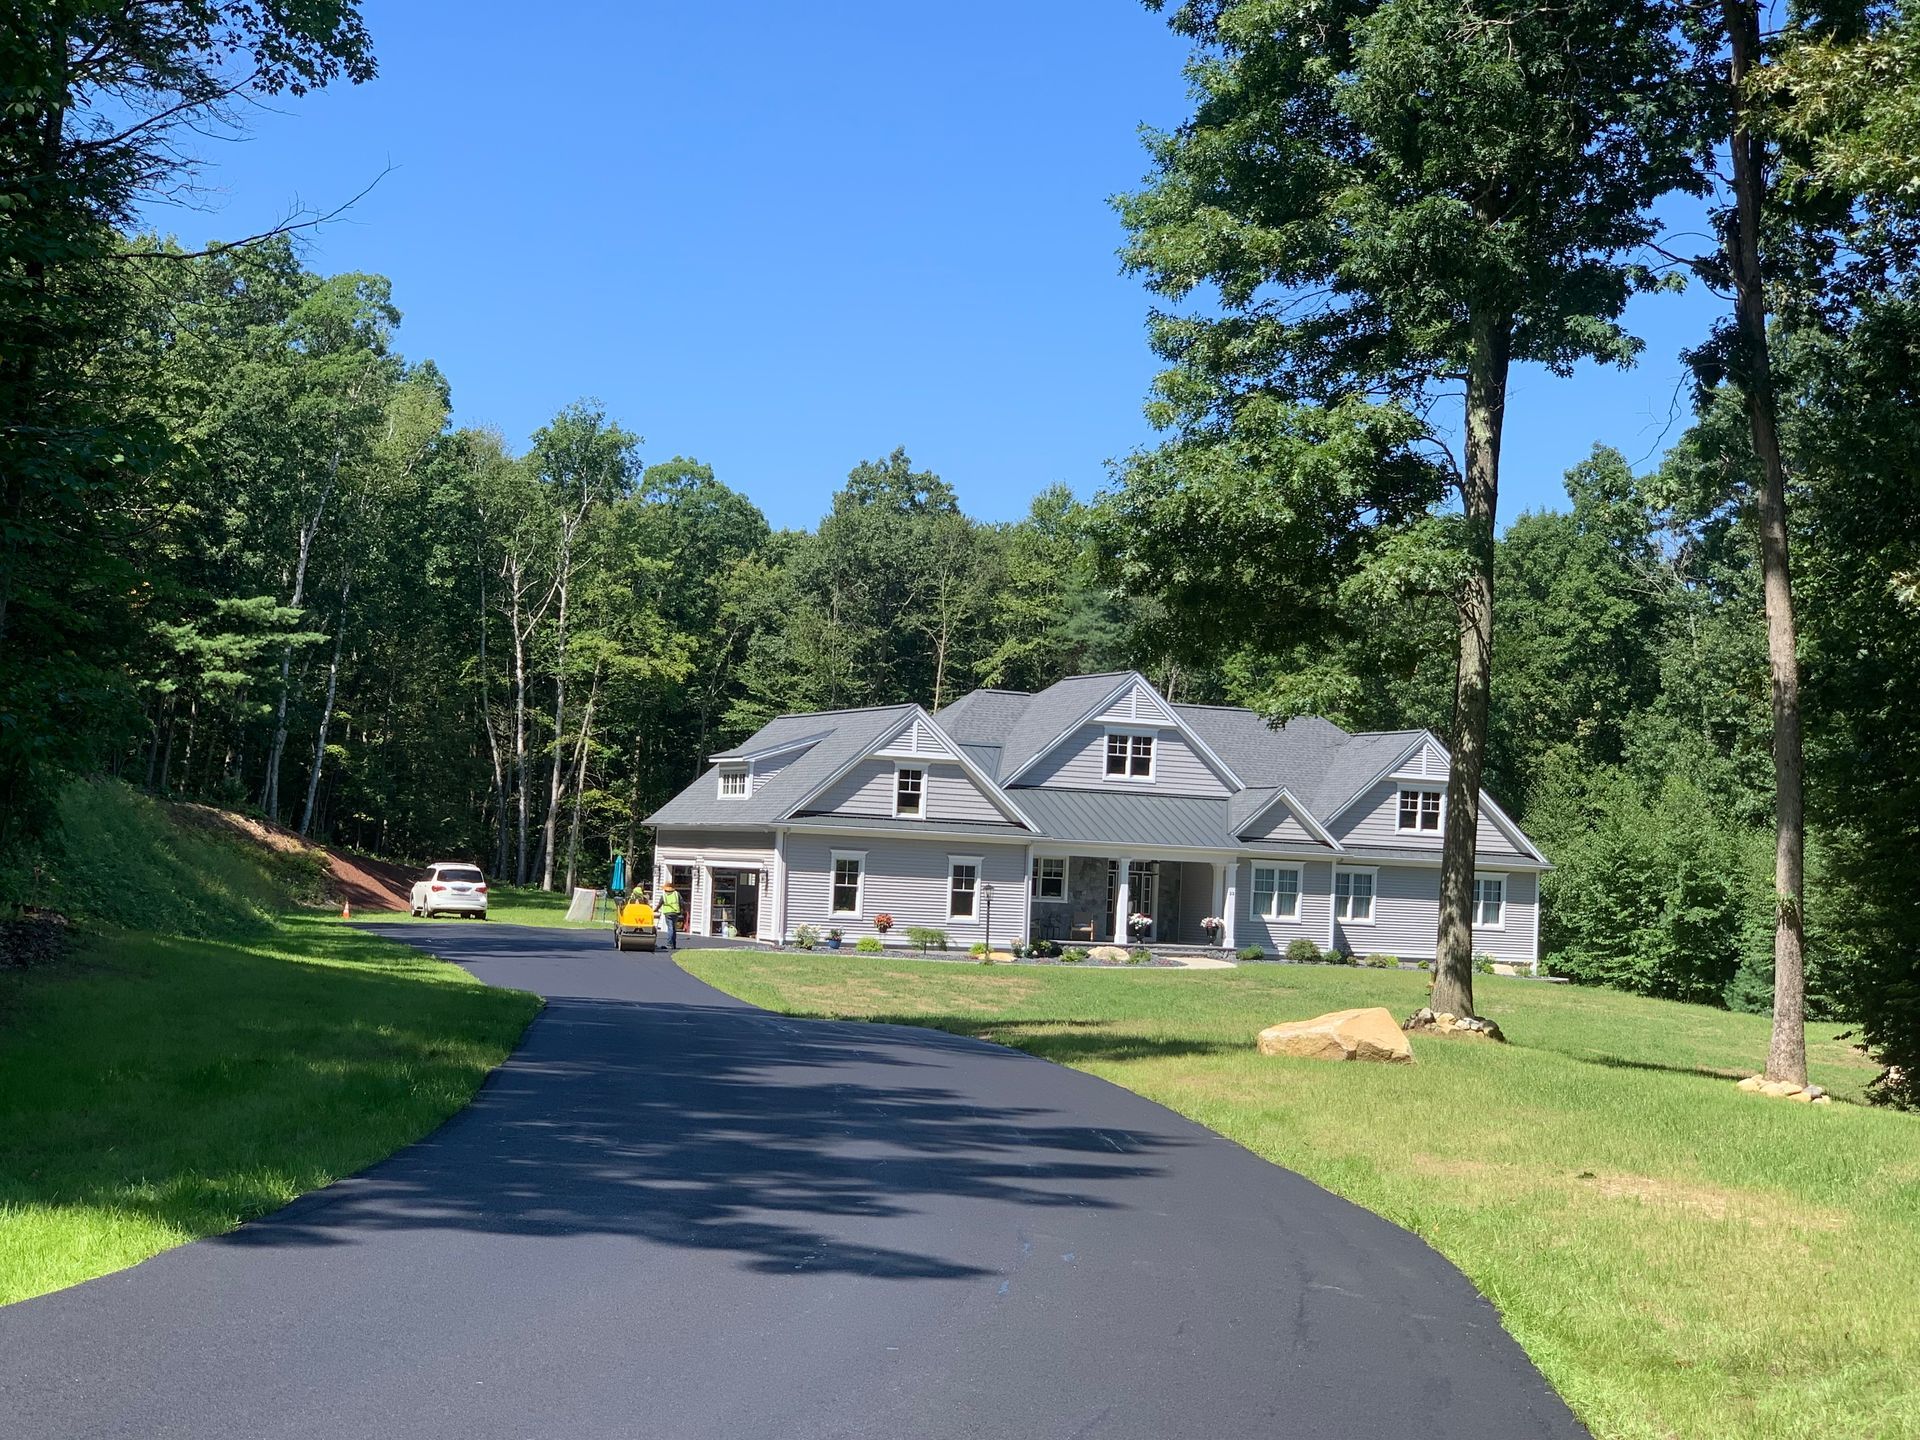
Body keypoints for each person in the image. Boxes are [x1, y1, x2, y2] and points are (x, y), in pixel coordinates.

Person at [657, 879, 682, 951]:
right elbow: (682, 902)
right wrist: (682, 910)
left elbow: (660, 904)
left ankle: (669, 944)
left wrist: (655, 909)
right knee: (673, 928)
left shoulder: (664, 896)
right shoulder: (677, 894)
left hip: (668, 913)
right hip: (676, 912)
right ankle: (673, 944)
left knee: (670, 928)